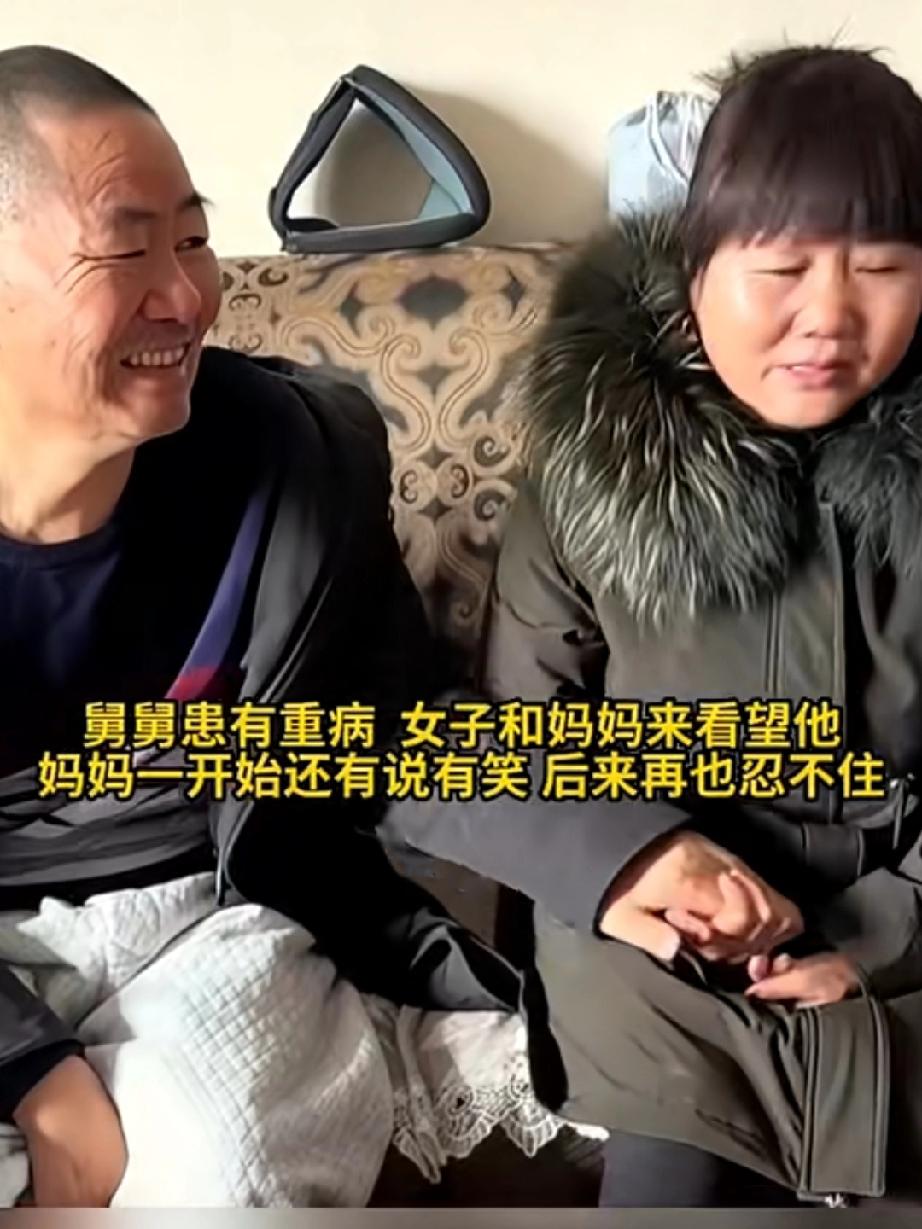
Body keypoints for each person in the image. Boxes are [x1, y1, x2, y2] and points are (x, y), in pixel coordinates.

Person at [382, 44, 922, 1208]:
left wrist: (885, 935)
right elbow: (504, 738)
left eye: (881, 266)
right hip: (662, 948)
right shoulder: (594, 469)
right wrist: (633, 860)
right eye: (781, 267)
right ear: (695, 265)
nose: (828, 316)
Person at [0, 44, 519, 1208]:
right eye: (125, 247)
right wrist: (32, 1067)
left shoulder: (293, 458)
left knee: (230, 1167)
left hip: (202, 905)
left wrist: (629, 851)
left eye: (192, 239)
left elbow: (392, 730)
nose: (185, 296)